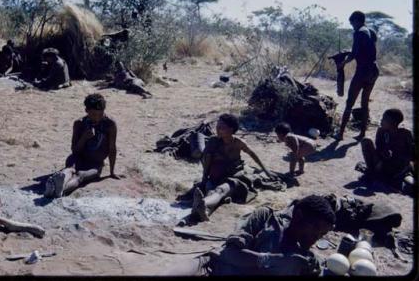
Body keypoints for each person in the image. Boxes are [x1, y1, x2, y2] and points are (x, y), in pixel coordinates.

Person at [164, 195, 335, 276]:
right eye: (315, 229)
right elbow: (229, 254)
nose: (316, 238)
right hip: (210, 268)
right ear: (298, 216)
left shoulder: (305, 260)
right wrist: (275, 260)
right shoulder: (266, 217)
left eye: (322, 235)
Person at [192, 113, 272, 222]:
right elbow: (207, 161)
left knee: (220, 190)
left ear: (231, 129)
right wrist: (204, 178)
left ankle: (203, 204)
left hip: (233, 177)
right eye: (217, 126)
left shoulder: (238, 143)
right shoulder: (213, 141)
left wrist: (265, 170)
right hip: (216, 175)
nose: (218, 129)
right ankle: (204, 211)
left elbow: (253, 154)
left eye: (222, 127)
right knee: (211, 191)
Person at [44, 94, 118, 198]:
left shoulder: (110, 124)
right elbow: (75, 151)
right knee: (70, 169)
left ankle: (60, 190)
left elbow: (112, 148)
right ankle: (59, 183)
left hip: (95, 164)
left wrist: (112, 172)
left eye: (100, 114)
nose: (96, 118)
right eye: (93, 115)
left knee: (81, 176)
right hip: (77, 158)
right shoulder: (79, 123)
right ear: (86, 110)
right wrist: (84, 138)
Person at [334, 11, 379, 141]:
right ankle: (362, 133)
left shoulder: (359, 32)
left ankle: (340, 134)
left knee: (349, 103)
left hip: (363, 71)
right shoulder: (370, 31)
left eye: (352, 23)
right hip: (374, 70)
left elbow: (354, 54)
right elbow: (366, 50)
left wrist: (342, 63)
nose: (352, 26)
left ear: (357, 21)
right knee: (364, 102)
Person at [359, 109, 414, 193]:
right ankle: (372, 172)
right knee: (366, 141)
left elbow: (411, 154)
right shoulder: (381, 131)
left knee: (410, 185)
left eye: (384, 119)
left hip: (400, 167)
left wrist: (398, 156)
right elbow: (378, 148)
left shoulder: (405, 134)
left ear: (393, 123)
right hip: (383, 163)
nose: (381, 120)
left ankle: (383, 176)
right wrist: (383, 153)